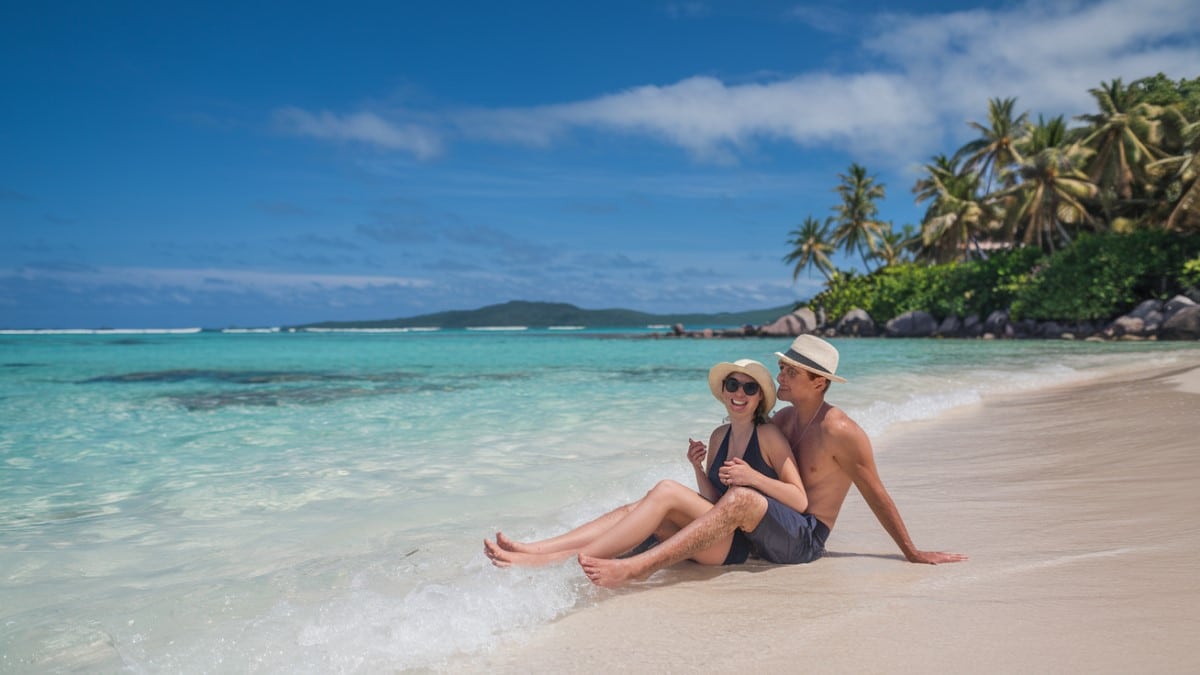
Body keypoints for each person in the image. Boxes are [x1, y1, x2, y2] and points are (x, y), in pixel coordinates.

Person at [579, 335, 968, 587]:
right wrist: (703, 467)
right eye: (781, 367)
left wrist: (911, 551)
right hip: (761, 533)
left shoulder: (841, 431)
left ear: (818, 382)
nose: (779, 376)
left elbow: (875, 492)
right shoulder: (781, 419)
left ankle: (640, 568)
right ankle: (545, 556)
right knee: (658, 501)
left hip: (805, 540)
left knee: (742, 497)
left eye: (791, 372)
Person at [484, 358, 811, 568]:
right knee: (635, 509)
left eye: (749, 387)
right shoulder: (718, 436)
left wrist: (752, 476)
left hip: (736, 547)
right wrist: (698, 469)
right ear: (724, 391)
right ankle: (537, 549)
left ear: (759, 398)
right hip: (712, 532)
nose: (739, 393)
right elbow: (714, 503)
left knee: (667, 490)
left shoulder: (768, 436)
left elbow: (799, 500)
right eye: (733, 385)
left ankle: (557, 561)